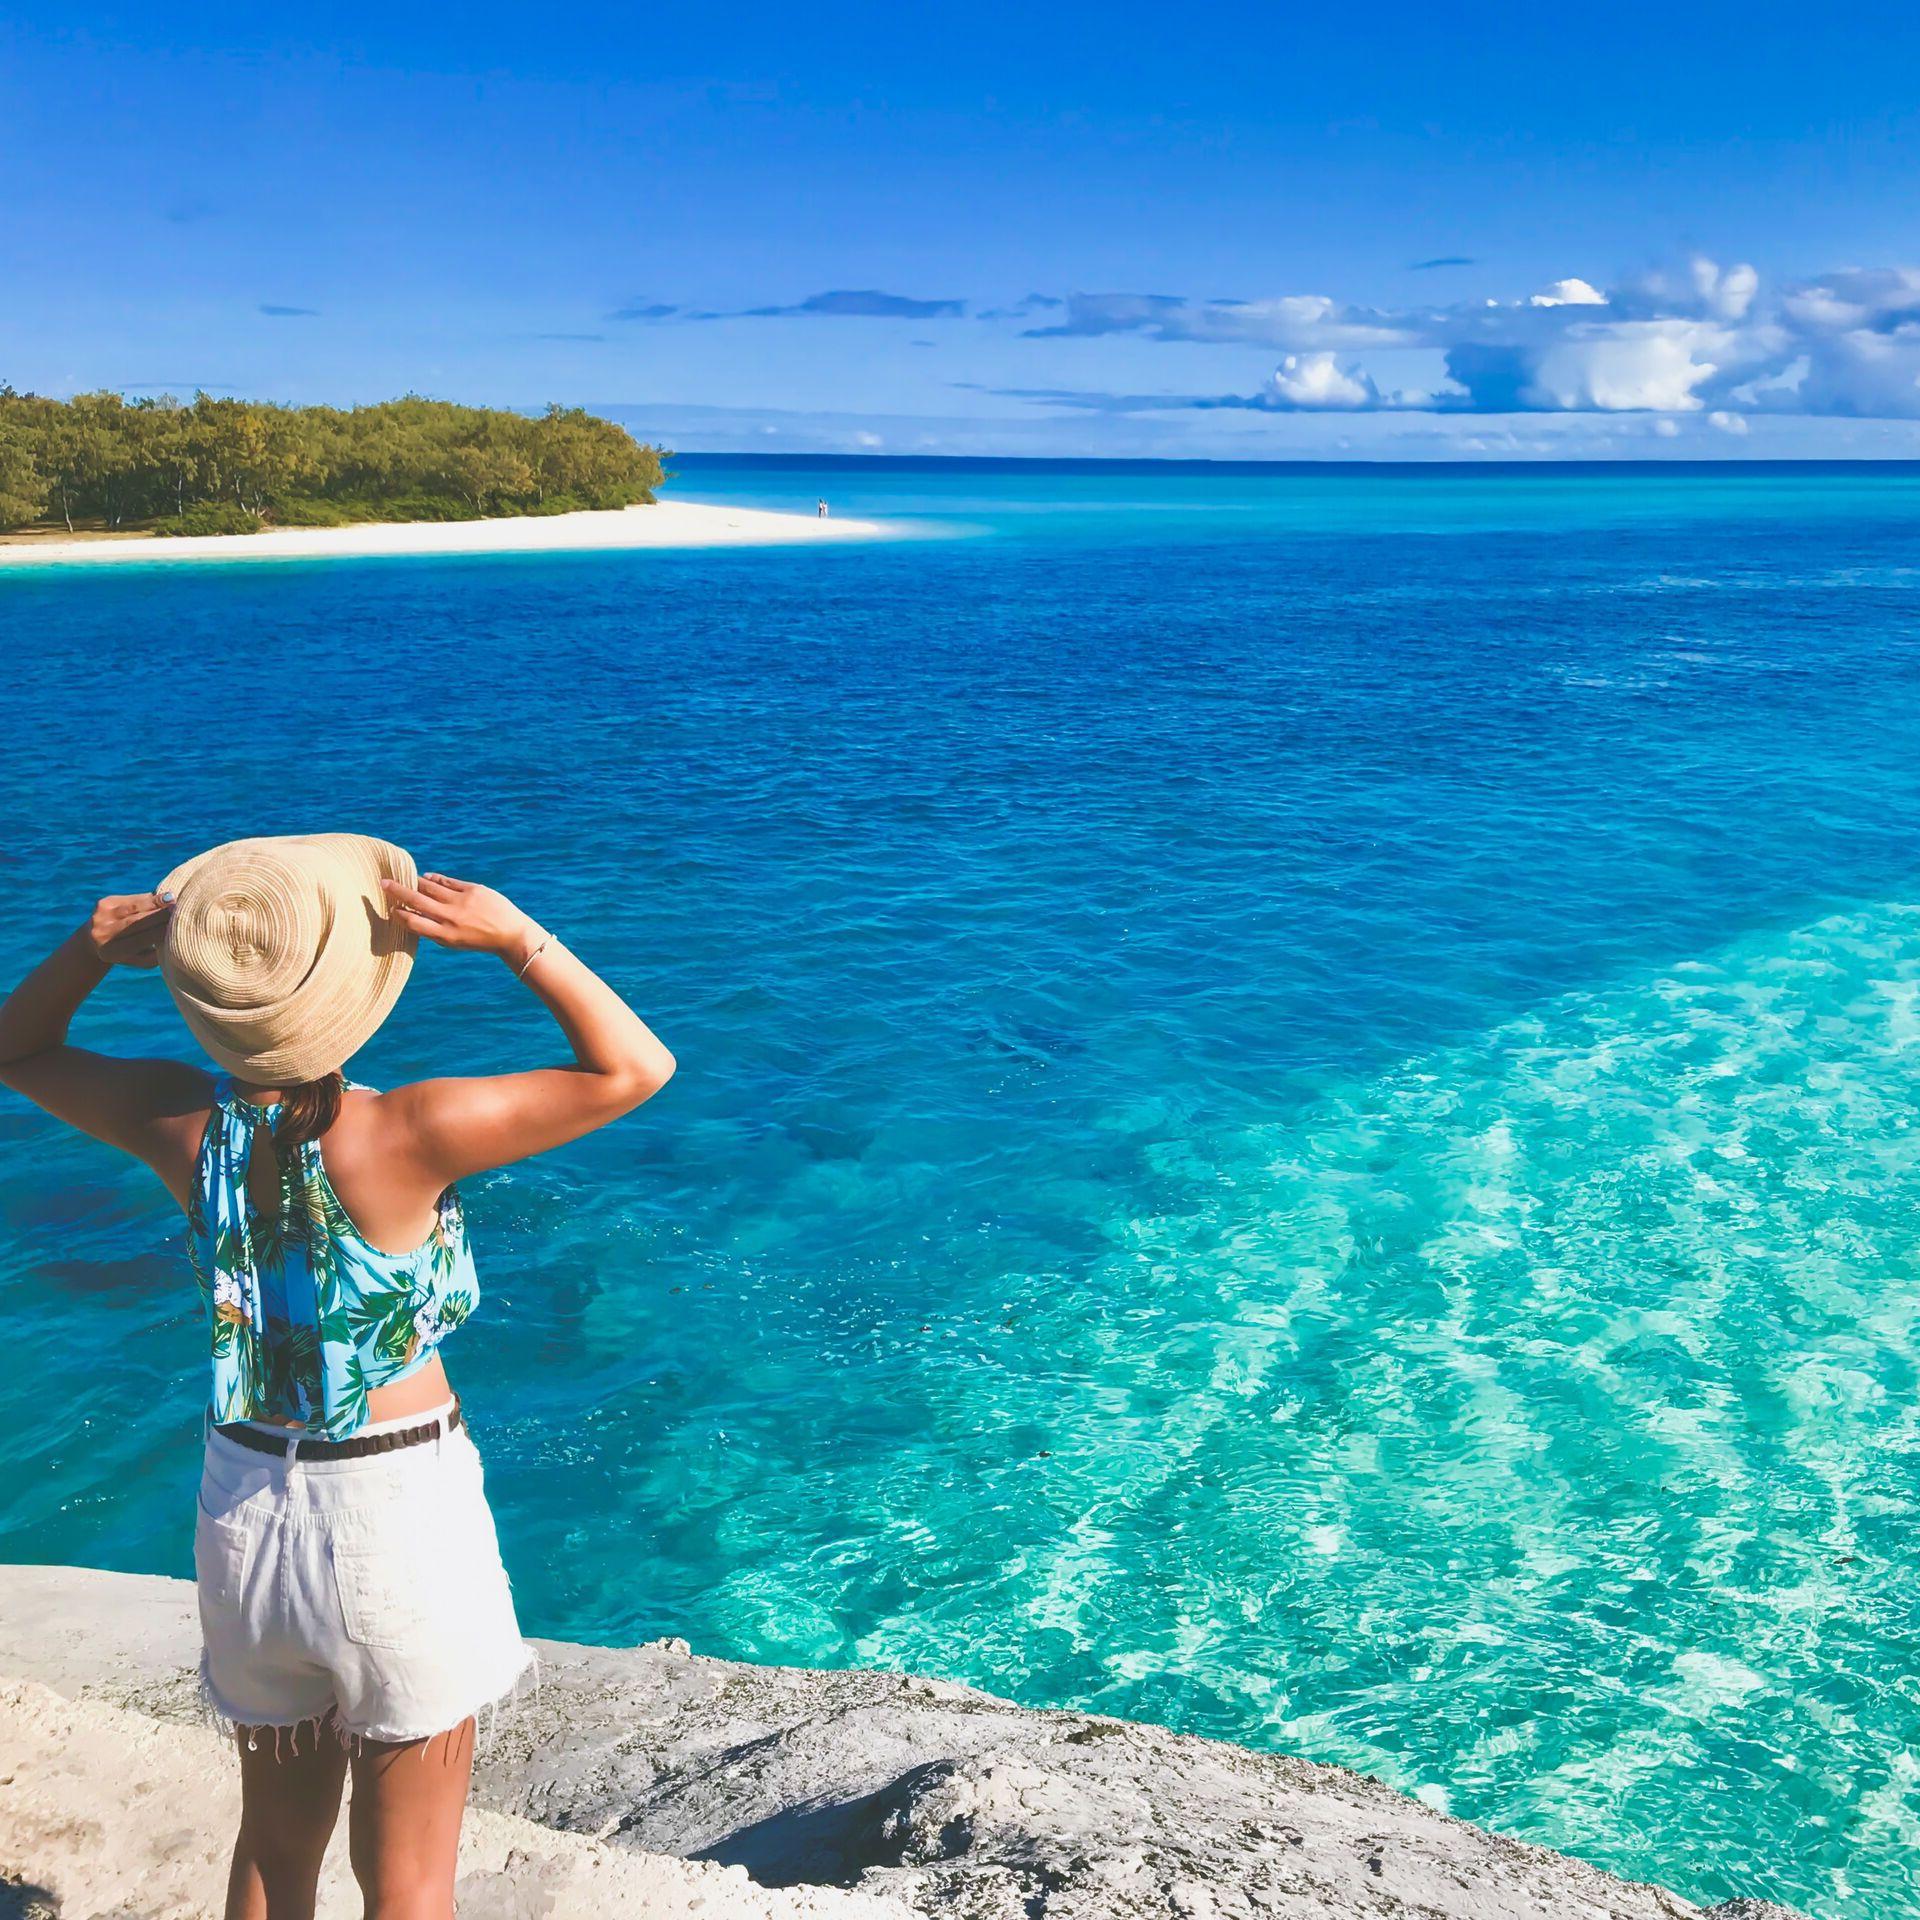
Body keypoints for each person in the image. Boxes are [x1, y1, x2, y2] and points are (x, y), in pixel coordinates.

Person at [0, 834, 675, 1920]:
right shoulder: (413, 1129)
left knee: (274, 1848)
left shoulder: (178, 1121)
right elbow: (635, 1068)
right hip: (395, 1514)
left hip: (244, 1511)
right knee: (407, 1883)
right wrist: (518, 940)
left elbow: (19, 1049)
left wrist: (87, 949)